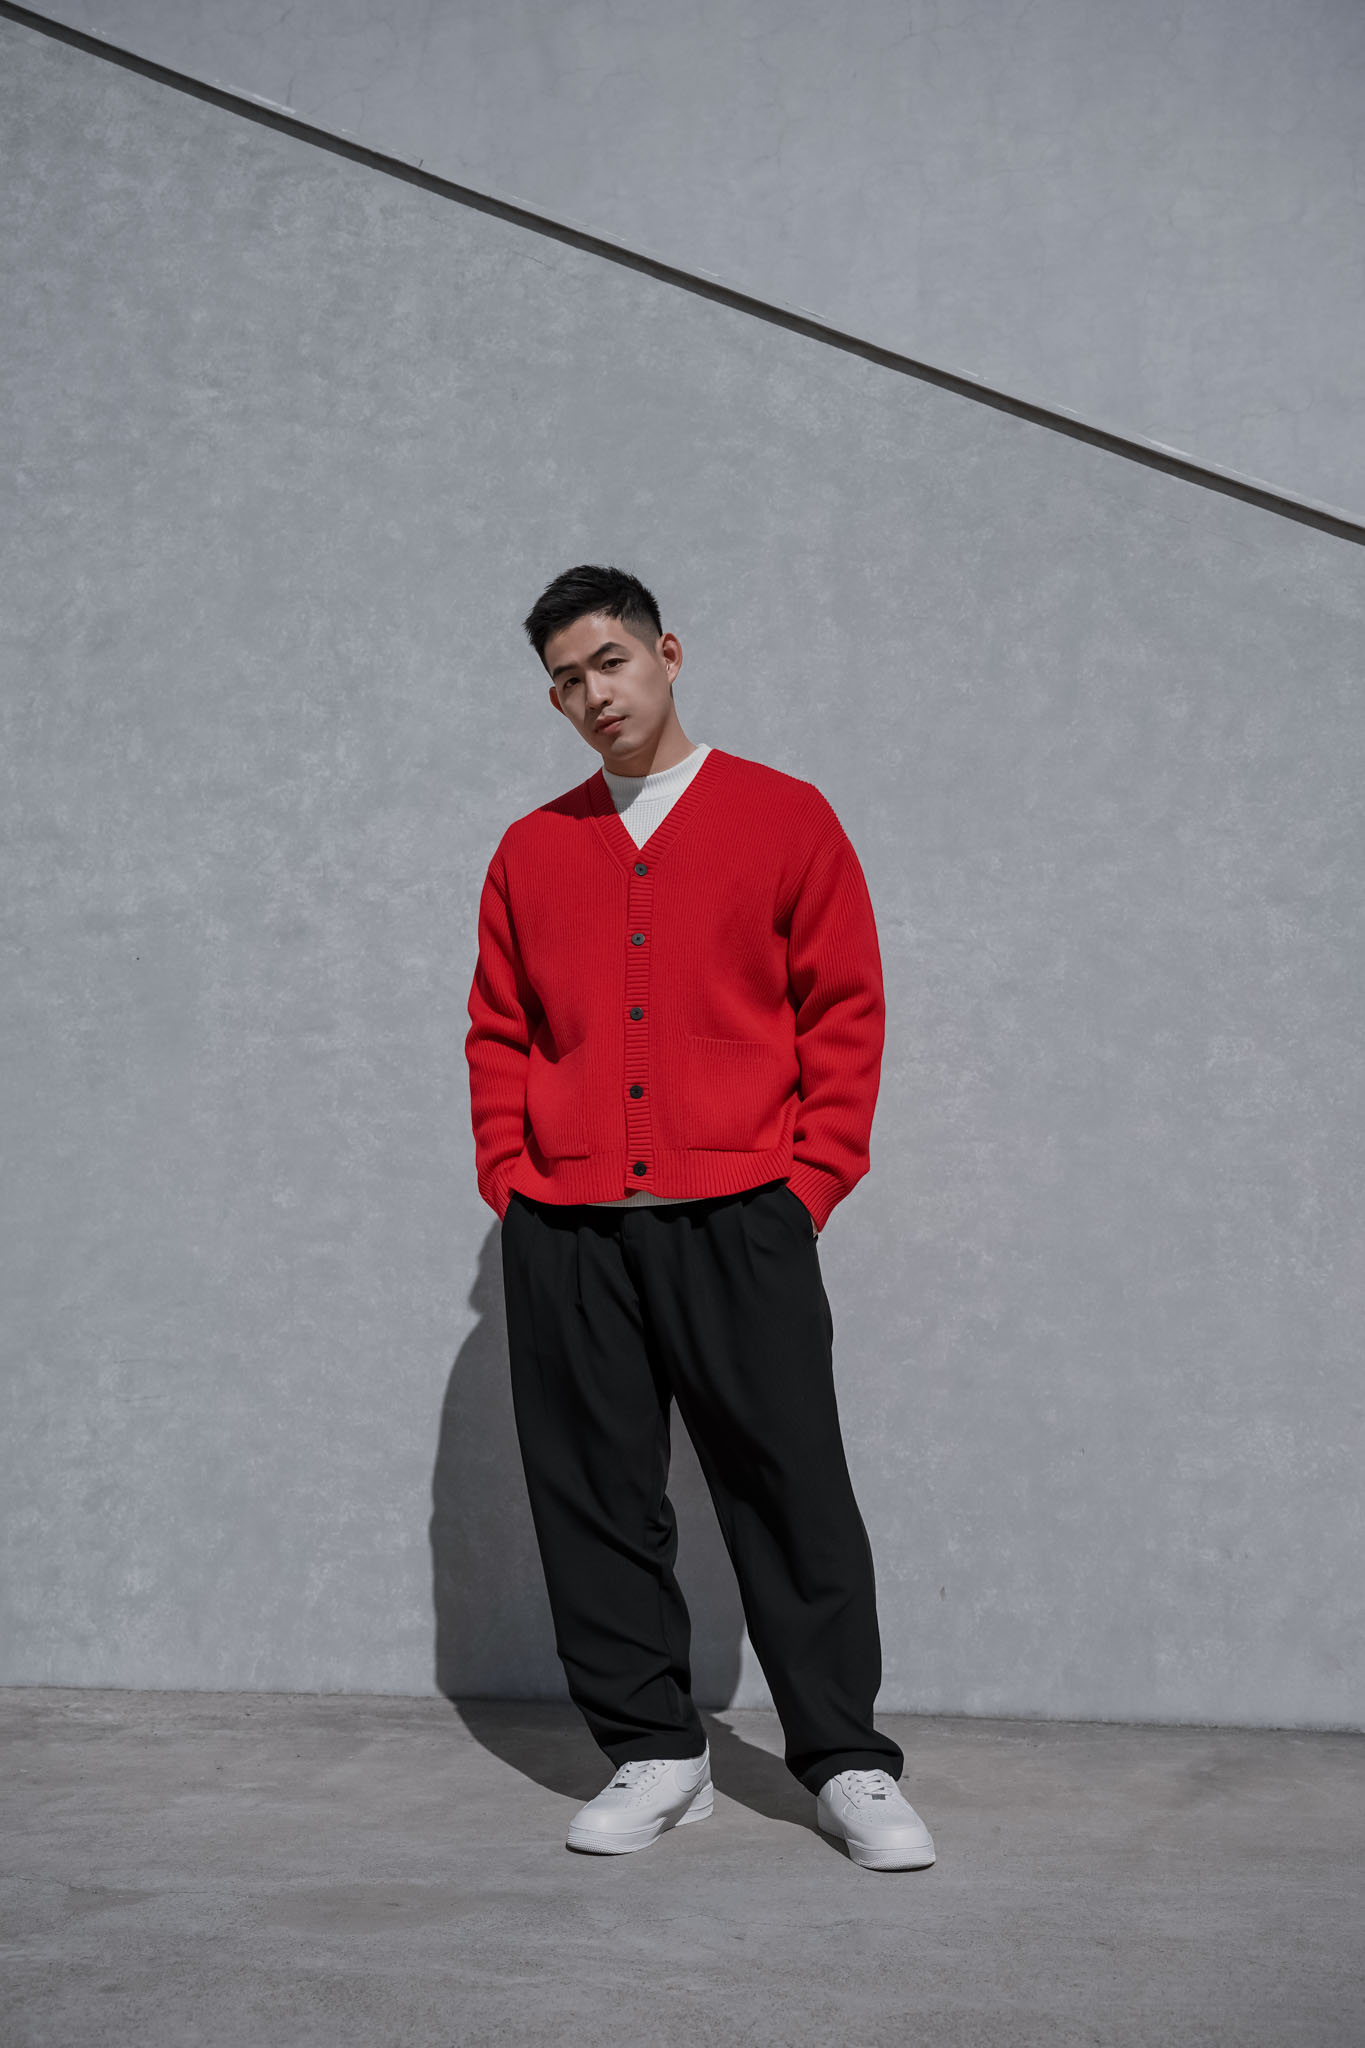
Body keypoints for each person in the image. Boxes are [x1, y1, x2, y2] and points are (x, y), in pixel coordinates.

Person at [464, 564, 934, 1872]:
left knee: (790, 1491)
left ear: (666, 654)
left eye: (609, 662)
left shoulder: (783, 817)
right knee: (595, 1496)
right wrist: (509, 1174)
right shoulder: (532, 847)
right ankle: (658, 1753)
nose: (593, 695)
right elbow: (498, 1026)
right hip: (568, 1226)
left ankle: (843, 1761)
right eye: (567, 680)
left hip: (741, 1215)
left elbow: (844, 1010)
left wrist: (808, 1186)